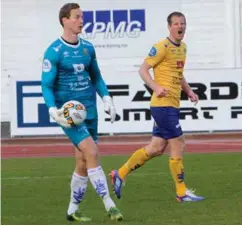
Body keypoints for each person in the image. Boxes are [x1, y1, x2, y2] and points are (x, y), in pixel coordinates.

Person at [110, 12, 205, 203]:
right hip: (162, 106)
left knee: (156, 147)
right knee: (178, 143)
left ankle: (120, 173)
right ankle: (181, 192)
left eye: (183, 23)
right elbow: (143, 70)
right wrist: (155, 87)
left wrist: (189, 91)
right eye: (177, 23)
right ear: (169, 26)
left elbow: (179, 74)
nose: (181, 26)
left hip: (171, 104)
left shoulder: (183, 48)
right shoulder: (161, 47)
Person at [41, 3, 123, 222]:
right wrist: (52, 109)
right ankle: (109, 205)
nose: (81, 21)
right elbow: (46, 85)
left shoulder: (88, 48)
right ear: (64, 20)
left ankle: (72, 209)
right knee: (92, 151)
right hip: (71, 114)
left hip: (90, 110)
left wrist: (107, 98)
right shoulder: (54, 51)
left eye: (82, 17)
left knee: (83, 162)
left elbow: (96, 76)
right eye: (77, 17)